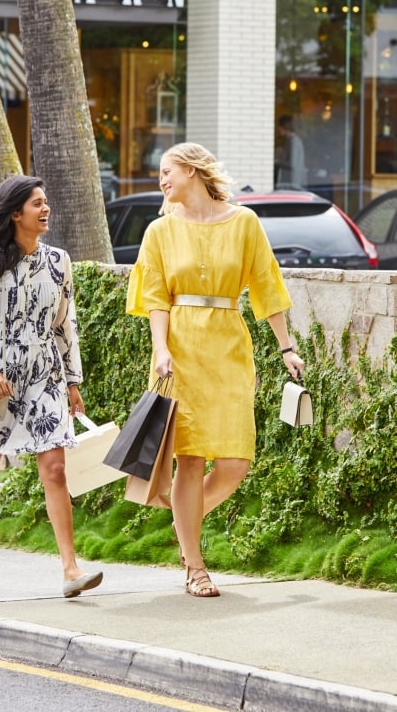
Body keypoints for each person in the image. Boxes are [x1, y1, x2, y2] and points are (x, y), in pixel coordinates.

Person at [126, 143, 305, 598]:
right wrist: (160, 349)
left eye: (167, 171)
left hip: (228, 347)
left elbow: (267, 284)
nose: (161, 180)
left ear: (191, 169)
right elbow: (155, 299)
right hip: (179, 350)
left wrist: (286, 347)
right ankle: (195, 564)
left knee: (235, 462)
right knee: (190, 458)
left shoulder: (243, 222)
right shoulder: (159, 231)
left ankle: (184, 522)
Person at [0, 175, 103, 599]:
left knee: (54, 468)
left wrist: (72, 381)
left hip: (45, 374)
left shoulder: (59, 261)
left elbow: (63, 325)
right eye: (37, 203)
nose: (45, 208)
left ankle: (71, 570)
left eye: (45, 201)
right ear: (16, 213)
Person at [276, 114, 306, 188]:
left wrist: (277, 162)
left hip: (293, 183)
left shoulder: (293, 142)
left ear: (284, 127)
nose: (278, 129)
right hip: (291, 182)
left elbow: (292, 163)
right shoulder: (290, 141)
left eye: (279, 126)